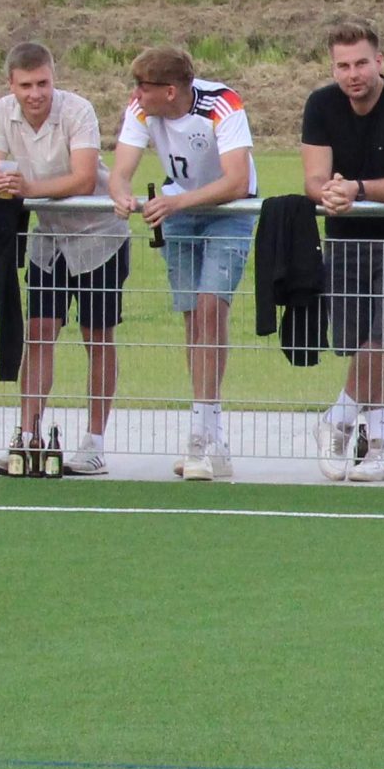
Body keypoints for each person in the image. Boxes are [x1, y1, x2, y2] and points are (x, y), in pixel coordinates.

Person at [109, 45, 257, 482]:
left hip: (228, 212)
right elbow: (121, 170)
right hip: (178, 213)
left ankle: (204, 434)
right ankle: (208, 433)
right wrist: (121, 193)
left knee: (211, 308)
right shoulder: (141, 109)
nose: (136, 94)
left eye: (143, 86)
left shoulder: (222, 104)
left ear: (170, 91)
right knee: (193, 317)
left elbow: (236, 180)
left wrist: (176, 203)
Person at [0, 41, 125, 476]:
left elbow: (83, 179)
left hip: (99, 234)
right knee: (40, 332)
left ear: (53, 78)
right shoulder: (2, 110)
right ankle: (28, 438)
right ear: (11, 84)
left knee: (96, 335)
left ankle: (94, 443)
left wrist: (26, 189)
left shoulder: (78, 110)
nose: (35, 94)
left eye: (42, 83)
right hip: (49, 237)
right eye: (26, 85)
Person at [299, 18, 384, 482]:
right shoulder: (320, 104)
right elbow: (314, 178)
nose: (353, 74)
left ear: (380, 61)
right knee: (361, 345)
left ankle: (336, 419)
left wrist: (356, 188)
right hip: (345, 237)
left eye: (361, 63)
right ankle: (379, 447)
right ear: (332, 68)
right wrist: (330, 194)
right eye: (343, 66)